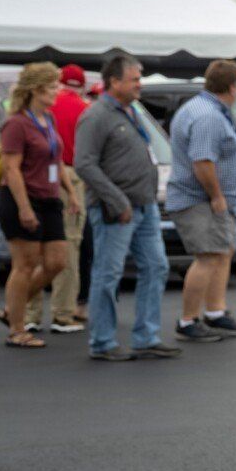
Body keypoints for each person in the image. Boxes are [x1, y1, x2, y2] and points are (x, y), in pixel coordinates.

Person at [77, 55, 177, 361]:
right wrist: (117, 200)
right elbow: (84, 164)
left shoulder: (129, 111)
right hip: (115, 210)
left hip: (143, 206)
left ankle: (146, 337)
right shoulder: (96, 116)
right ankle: (102, 342)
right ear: (115, 82)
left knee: (157, 266)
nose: (139, 84)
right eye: (134, 79)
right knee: (108, 274)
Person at [168, 59, 236, 341]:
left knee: (222, 252)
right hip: (201, 199)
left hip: (214, 200)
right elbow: (203, 161)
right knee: (207, 256)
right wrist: (216, 196)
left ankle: (215, 312)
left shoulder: (207, 109)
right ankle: (187, 320)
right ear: (231, 86)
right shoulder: (209, 116)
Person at [0, 63, 69, 350]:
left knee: (56, 262)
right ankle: (16, 329)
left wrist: (70, 193)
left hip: (49, 199)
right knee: (25, 264)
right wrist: (24, 208)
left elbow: (56, 159)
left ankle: (11, 309)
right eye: (52, 87)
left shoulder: (48, 119)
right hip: (21, 199)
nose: (57, 92)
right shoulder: (16, 123)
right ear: (36, 90)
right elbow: (11, 170)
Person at [23, 64, 91, 335]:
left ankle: (29, 313)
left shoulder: (40, 113)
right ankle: (63, 313)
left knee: (35, 251)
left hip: (39, 178)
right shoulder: (84, 109)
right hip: (70, 176)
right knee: (68, 248)